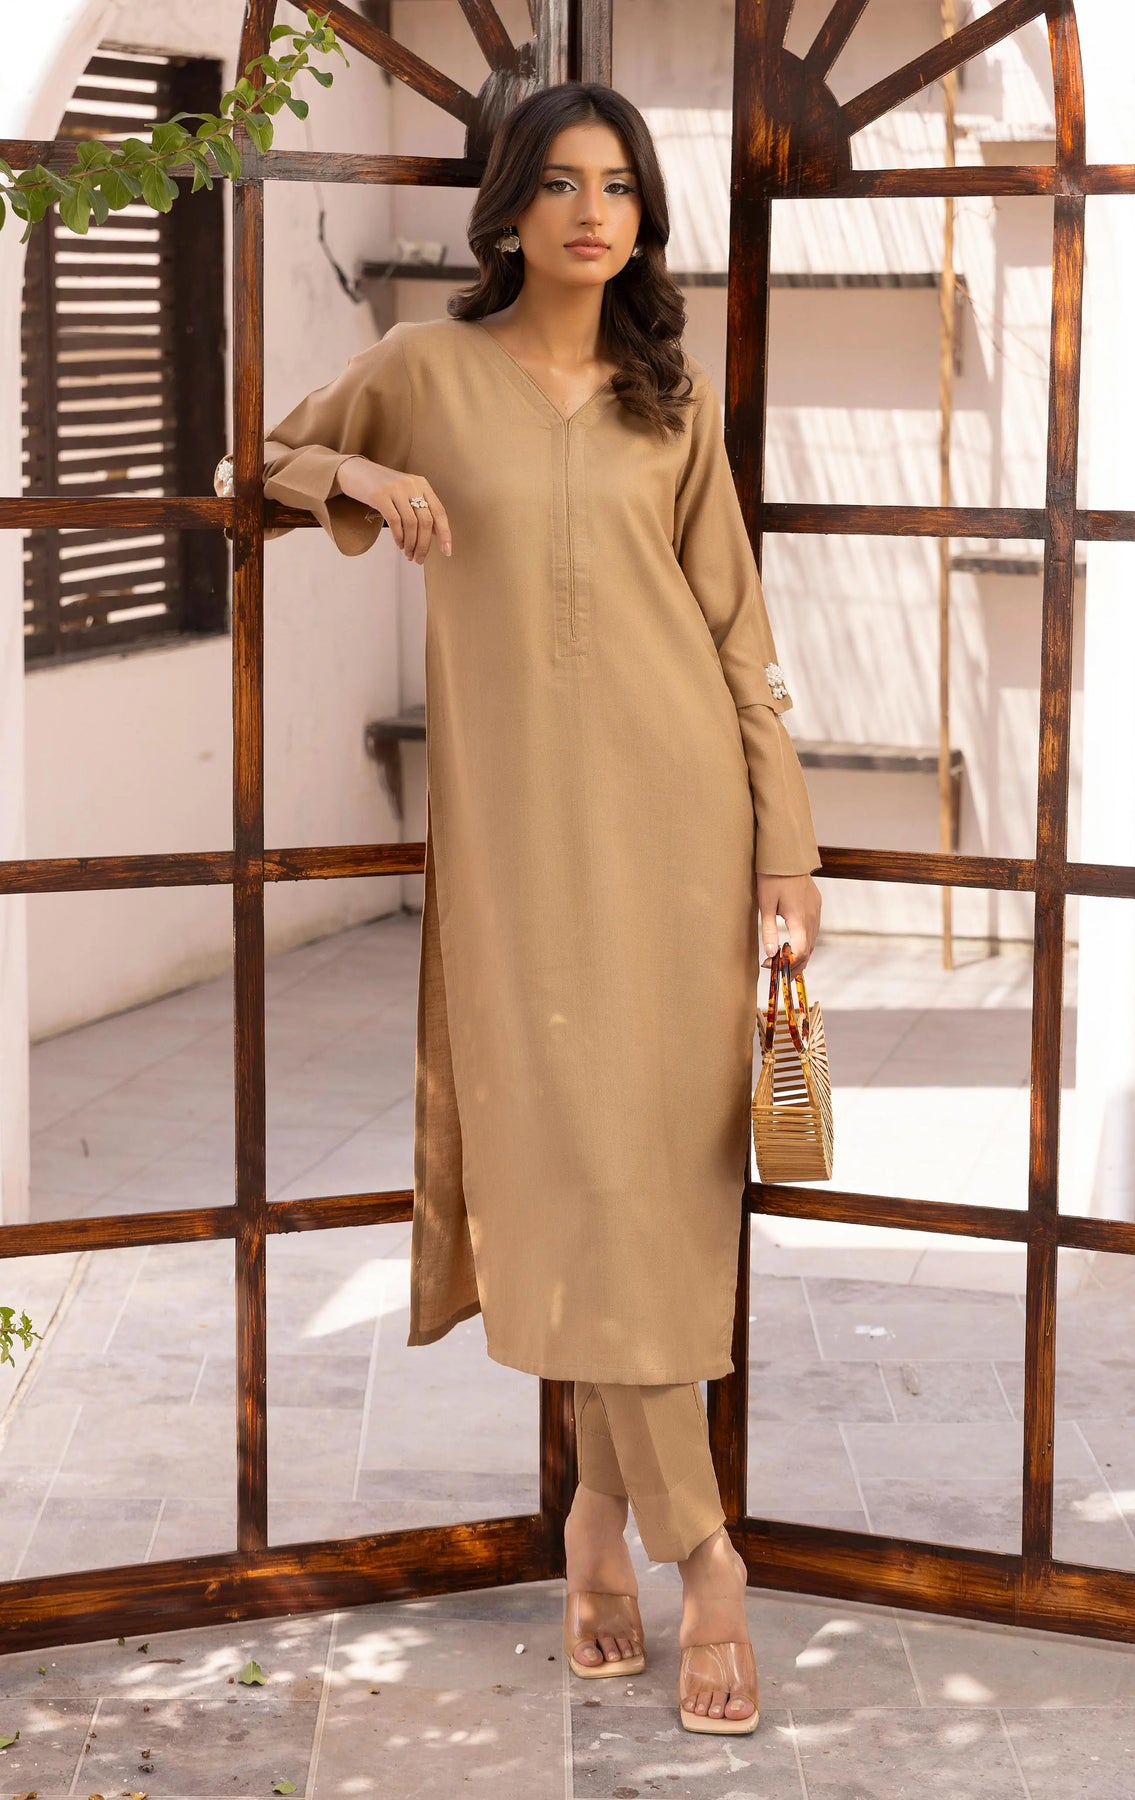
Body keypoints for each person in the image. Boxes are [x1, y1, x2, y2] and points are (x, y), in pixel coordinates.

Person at [228, 80, 822, 1736]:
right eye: (560, 182)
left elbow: (738, 635)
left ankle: (614, 1528)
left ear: (643, 218)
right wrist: (363, 471)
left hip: (681, 833)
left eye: (618, 186)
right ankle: (701, 1547)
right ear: (510, 208)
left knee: (649, 1194)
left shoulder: (669, 401)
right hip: (516, 860)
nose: (590, 211)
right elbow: (254, 464)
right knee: (573, 1179)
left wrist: (784, 850)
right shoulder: (426, 370)